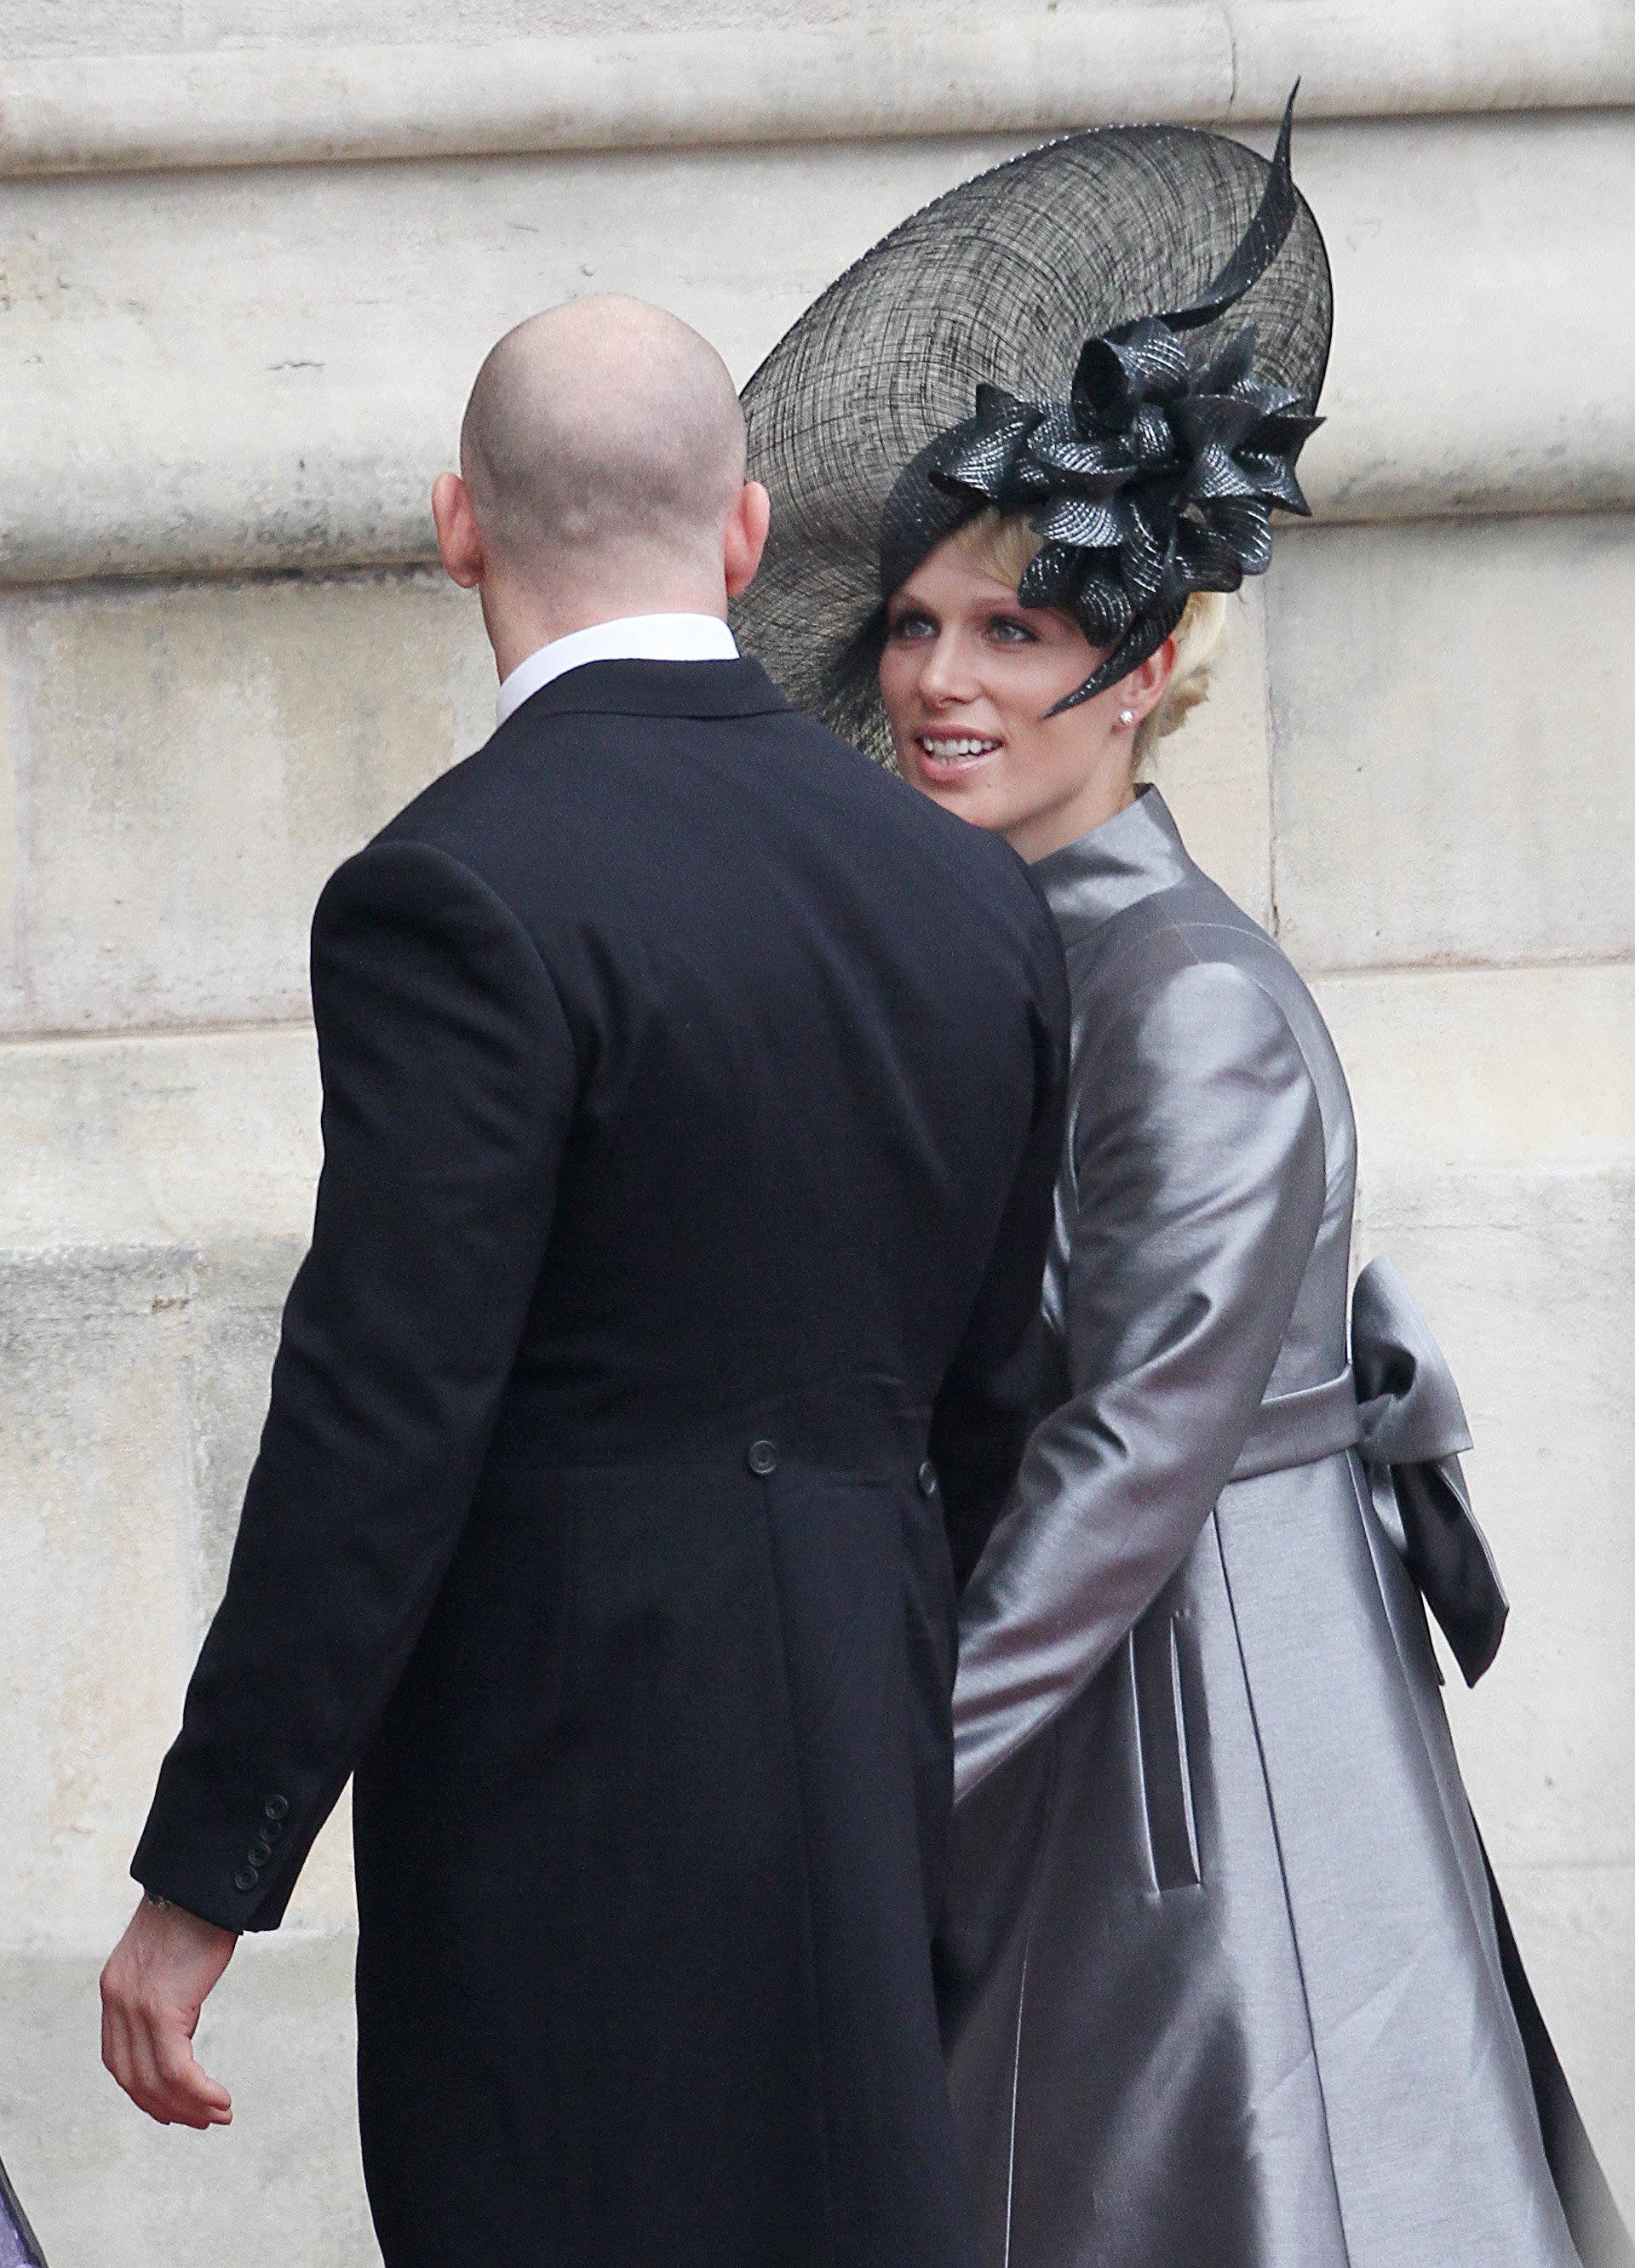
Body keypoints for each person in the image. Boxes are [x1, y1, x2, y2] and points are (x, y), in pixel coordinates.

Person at [735, 106, 1633, 2268]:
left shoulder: (1191, 996)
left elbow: (1135, 1455)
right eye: (922, 627)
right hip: (1080, 1698)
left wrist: (870, 1791)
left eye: (1017, 640)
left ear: (1140, 677)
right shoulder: (1019, 950)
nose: (944, 684)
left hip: (1204, 1718)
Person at [99, 294, 1071, 2268]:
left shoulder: (450, 889)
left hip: (572, 1795)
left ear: (459, 526)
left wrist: (209, 1873)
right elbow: (1004, 1393)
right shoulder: (969, 889)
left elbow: (381, 1413)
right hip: (873, 1755)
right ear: (744, 534)